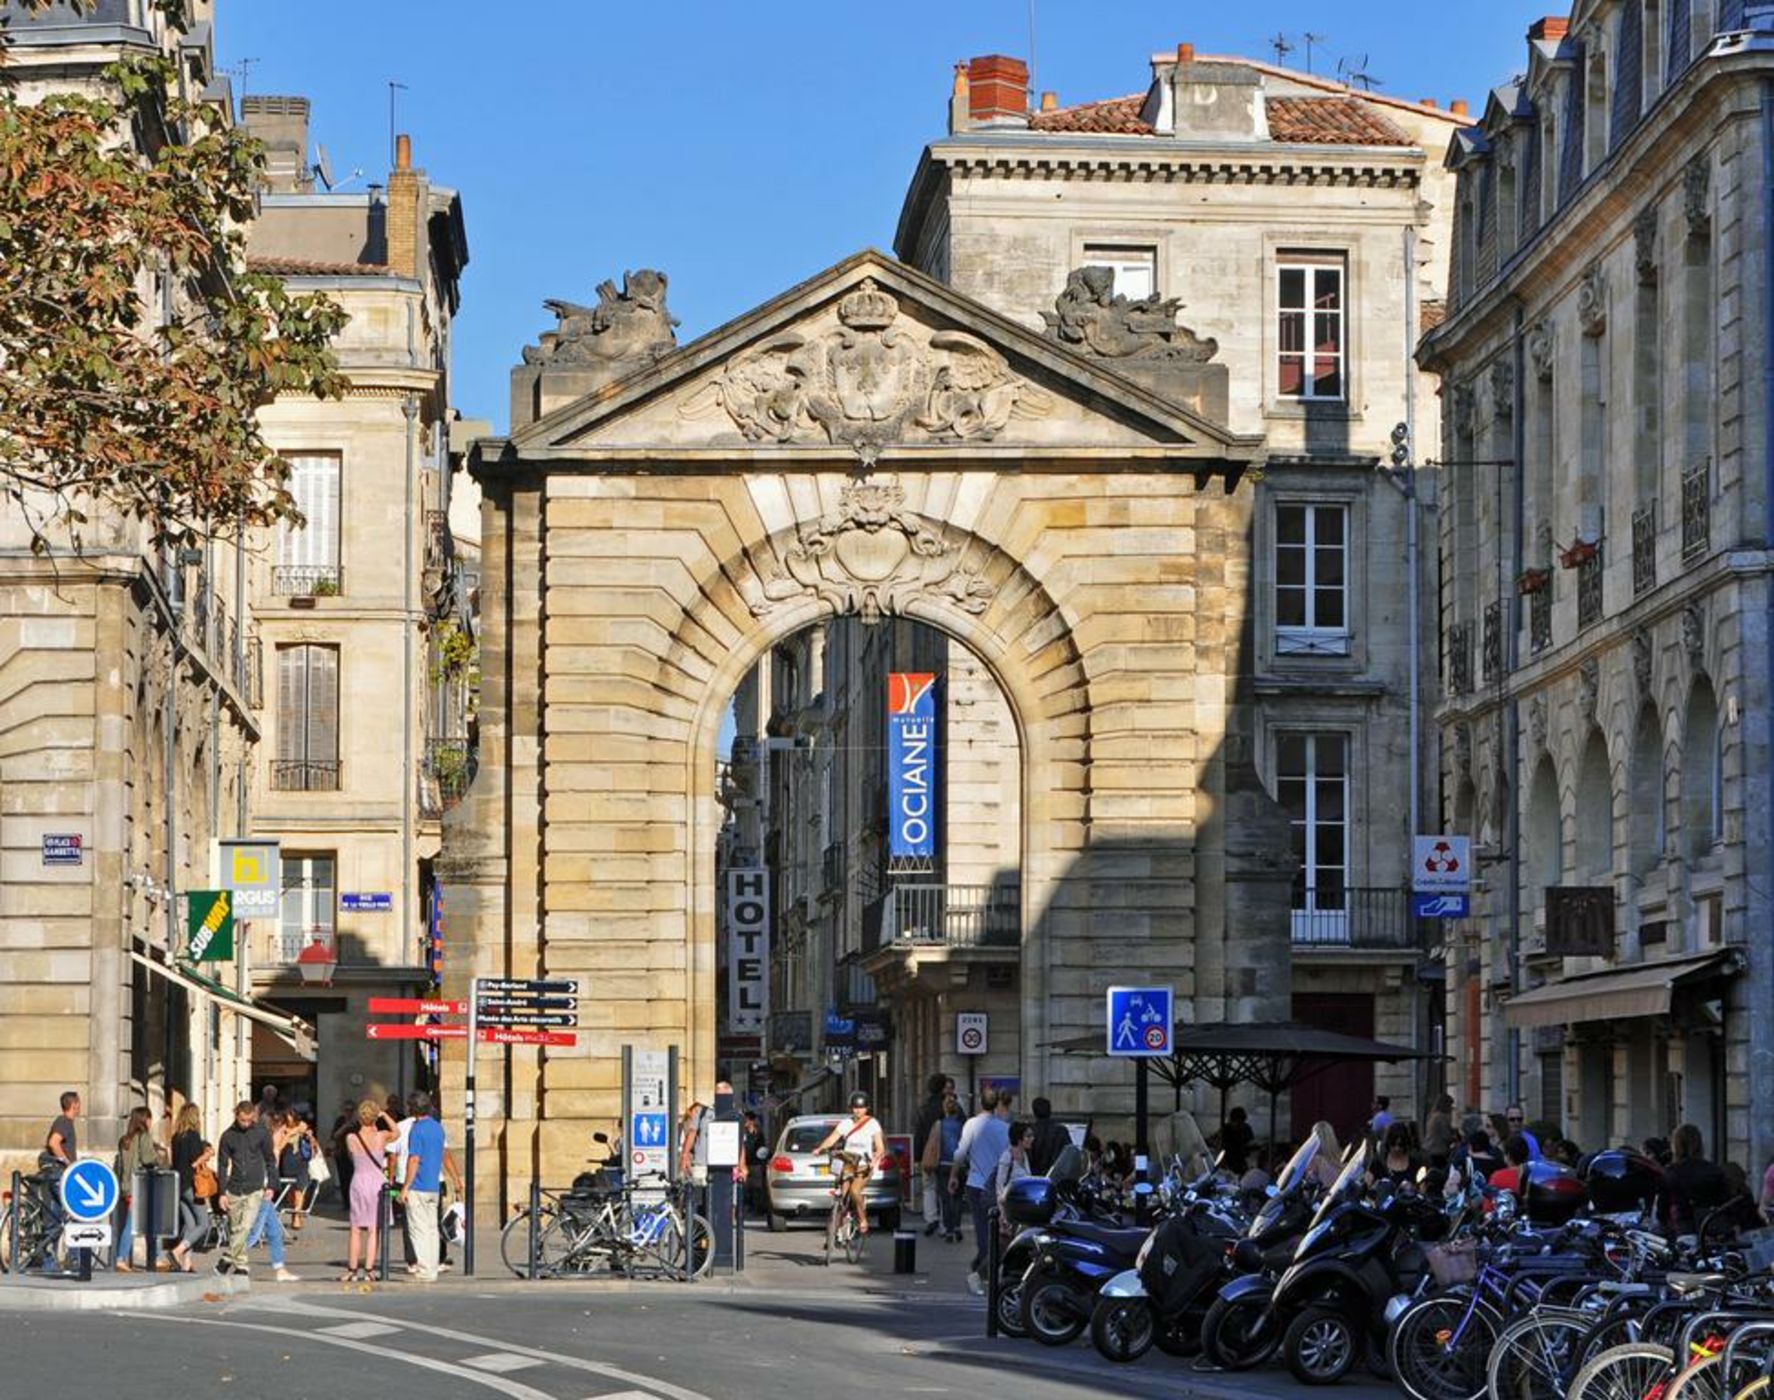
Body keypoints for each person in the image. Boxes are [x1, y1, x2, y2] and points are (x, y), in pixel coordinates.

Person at [215, 1099, 289, 1280]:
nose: (246, 1124)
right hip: (234, 1187)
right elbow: (223, 1165)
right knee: (236, 1229)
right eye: (242, 1120)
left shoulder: (261, 1133)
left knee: (246, 1227)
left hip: (255, 1188)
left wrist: (272, 1185)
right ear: (236, 1116)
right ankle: (240, 1265)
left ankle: (227, 1259)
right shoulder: (227, 1136)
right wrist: (222, 1192)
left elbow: (271, 1160)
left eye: (249, 1120)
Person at [950, 1087, 1011, 1294]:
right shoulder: (1004, 1127)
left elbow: (960, 1152)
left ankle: (982, 1267)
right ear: (996, 1105)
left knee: (982, 1229)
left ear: (980, 1103)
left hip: (976, 1183)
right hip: (996, 1186)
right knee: (995, 1230)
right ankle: (983, 1266)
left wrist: (953, 1175)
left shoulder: (971, 1124)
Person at [810, 1092, 886, 1238]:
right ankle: (836, 1229)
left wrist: (876, 1156)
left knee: (855, 1191)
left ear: (867, 1108)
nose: (858, 1110)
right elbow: (832, 1138)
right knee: (842, 1194)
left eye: (861, 1107)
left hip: (864, 1165)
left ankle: (863, 1219)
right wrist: (820, 1148)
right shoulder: (846, 1123)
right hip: (848, 1163)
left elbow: (880, 1146)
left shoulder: (872, 1123)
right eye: (855, 1107)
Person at [242, 1108, 299, 1280]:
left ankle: (279, 1268)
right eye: (281, 1131)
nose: (283, 1136)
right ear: (272, 1131)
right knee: (254, 1233)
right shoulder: (266, 1148)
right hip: (262, 1193)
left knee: (274, 1231)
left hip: (265, 1193)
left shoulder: (267, 1146)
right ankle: (228, 1260)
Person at [400, 1091, 447, 1283]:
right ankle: (432, 1267)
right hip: (433, 1185)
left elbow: (414, 1159)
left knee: (417, 1229)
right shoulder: (438, 1128)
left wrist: (405, 1186)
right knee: (431, 1228)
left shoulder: (416, 1129)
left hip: (418, 1185)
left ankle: (424, 1269)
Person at [342, 1099, 390, 1284]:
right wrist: (384, 1115)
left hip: (359, 1181)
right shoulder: (382, 1136)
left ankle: (352, 1270)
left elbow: (350, 1156)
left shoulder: (351, 1138)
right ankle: (369, 1270)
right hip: (377, 1183)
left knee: (355, 1228)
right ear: (375, 1116)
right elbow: (398, 1132)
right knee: (373, 1229)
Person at [112, 1106, 165, 1271]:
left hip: (126, 1186)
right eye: (149, 1119)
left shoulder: (125, 1140)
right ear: (144, 1120)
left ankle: (156, 1257)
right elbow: (148, 1158)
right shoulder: (144, 1136)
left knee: (140, 1222)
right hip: (140, 1185)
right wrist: (160, 1156)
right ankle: (122, 1258)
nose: (151, 1122)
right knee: (139, 1222)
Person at [1664, 1123, 1730, 1238]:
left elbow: (1663, 1206)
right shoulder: (1713, 1170)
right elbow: (1725, 1199)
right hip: (1711, 1227)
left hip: (1683, 1228)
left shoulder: (1672, 1172)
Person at [167, 1104, 211, 1273]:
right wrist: (206, 1154)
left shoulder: (176, 1137)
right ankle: (177, 1251)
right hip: (192, 1184)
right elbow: (195, 1161)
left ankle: (186, 1263)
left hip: (178, 1185)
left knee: (191, 1225)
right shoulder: (193, 1136)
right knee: (203, 1224)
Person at [924, 1091, 965, 1242]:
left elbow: (933, 1145)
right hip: (959, 1164)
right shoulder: (962, 1125)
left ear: (945, 1109)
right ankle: (957, 1227)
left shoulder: (939, 1124)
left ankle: (948, 1230)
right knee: (958, 1197)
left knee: (945, 1198)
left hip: (943, 1164)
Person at [912, 1072, 951, 1236]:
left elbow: (919, 1133)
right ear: (943, 1087)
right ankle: (943, 1222)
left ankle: (931, 1218)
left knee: (928, 1187)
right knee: (944, 1189)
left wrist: (917, 1156)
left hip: (928, 1154)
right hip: (946, 1153)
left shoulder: (924, 1108)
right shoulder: (948, 1106)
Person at [994, 1120, 1035, 1222]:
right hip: (1010, 1210)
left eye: (1031, 1136)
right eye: (1028, 1136)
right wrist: (1003, 1215)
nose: (1032, 1139)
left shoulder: (1025, 1155)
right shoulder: (1007, 1157)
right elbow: (1000, 1187)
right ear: (1019, 1139)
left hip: (1022, 1208)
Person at [1027, 1097, 1072, 1178]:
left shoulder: (1029, 1131)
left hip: (1035, 1178)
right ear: (1050, 1111)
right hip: (1056, 1178)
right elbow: (1070, 1156)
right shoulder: (1061, 1131)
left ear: (1034, 1112)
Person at [1371, 1123, 1419, 1188]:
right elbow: (1369, 1187)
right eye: (1393, 1144)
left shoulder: (1414, 1163)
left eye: (1401, 1145)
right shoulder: (1378, 1163)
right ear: (1388, 1143)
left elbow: (1421, 1189)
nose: (1397, 1149)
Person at [329, 1099, 358, 1204]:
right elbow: (334, 1136)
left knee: (353, 1178)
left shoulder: (357, 1122)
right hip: (341, 1153)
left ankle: (353, 1201)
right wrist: (345, 1127)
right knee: (343, 1178)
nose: (348, 1112)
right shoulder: (340, 1120)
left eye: (351, 1110)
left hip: (355, 1154)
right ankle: (346, 1202)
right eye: (346, 1110)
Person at [1218, 1106, 1254, 1176]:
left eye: (1242, 1122)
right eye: (1238, 1122)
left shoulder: (1246, 1129)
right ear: (1232, 1121)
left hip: (1241, 1161)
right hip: (1228, 1162)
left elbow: (1250, 1143)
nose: (1240, 1125)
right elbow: (1221, 1149)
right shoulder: (1226, 1131)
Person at [1423, 1094, 1455, 1168]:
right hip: (1438, 1151)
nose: (1451, 1108)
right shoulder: (1441, 1117)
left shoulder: (1432, 1115)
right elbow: (1446, 1136)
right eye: (1450, 1106)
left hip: (1429, 1149)